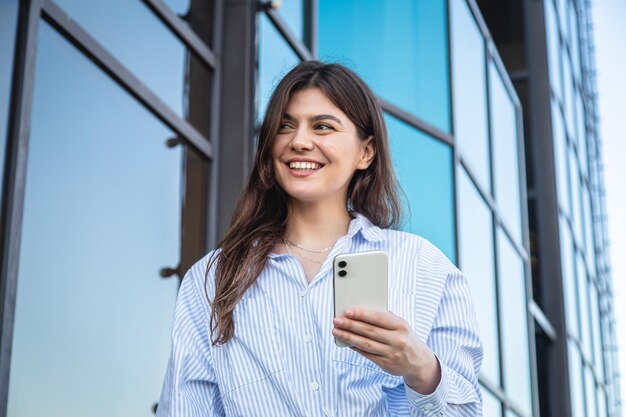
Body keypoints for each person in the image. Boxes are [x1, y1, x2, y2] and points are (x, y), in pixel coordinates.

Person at [156, 61, 483, 416]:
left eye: (322, 127)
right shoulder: (212, 280)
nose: (299, 141)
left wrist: (421, 369)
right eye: (285, 126)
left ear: (365, 152)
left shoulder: (423, 268)